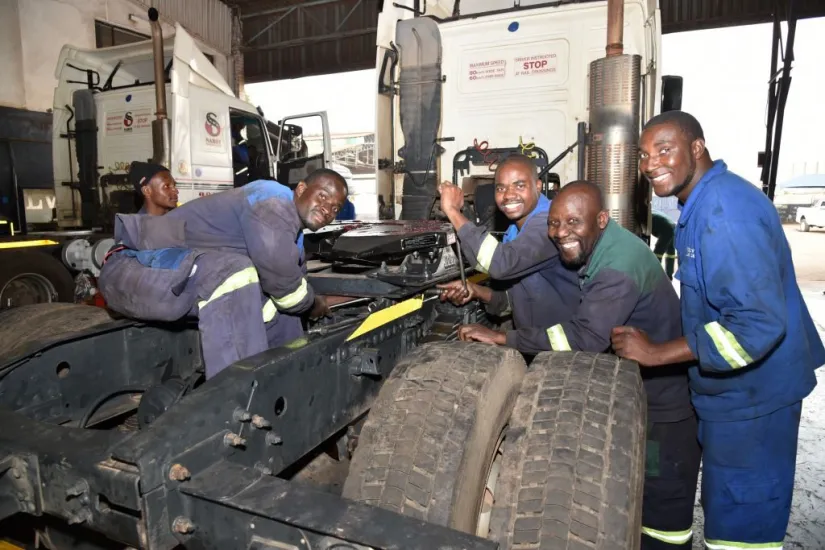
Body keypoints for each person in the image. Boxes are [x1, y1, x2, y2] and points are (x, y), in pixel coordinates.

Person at [613, 110, 825, 550]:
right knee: (724, 513)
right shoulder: (703, 202)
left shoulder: (724, 212)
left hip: (755, 401)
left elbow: (755, 326)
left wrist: (656, 353)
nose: (651, 163)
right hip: (734, 397)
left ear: (697, 148)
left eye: (664, 150)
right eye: (644, 155)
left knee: (741, 531)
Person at [459, 180, 699, 550]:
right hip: (641, 394)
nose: (560, 233)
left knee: (661, 518)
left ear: (601, 219)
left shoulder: (617, 266)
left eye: (573, 223)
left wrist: (505, 339)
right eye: (554, 224)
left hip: (663, 408)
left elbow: (583, 339)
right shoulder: (605, 249)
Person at [99, 169, 350, 379]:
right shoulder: (272, 203)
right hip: (130, 268)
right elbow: (288, 289)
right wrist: (316, 302)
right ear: (301, 188)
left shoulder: (291, 235)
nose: (328, 209)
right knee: (235, 274)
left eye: (335, 208)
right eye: (323, 196)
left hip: (169, 273)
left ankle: (286, 379)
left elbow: (289, 288)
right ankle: (235, 399)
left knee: (271, 305)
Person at [436, 154, 580, 344]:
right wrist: (477, 291)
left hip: (567, 350)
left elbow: (501, 264)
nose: (509, 195)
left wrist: (452, 211)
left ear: (538, 186)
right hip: (539, 343)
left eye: (519, 185)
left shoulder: (550, 224)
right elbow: (520, 300)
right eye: (501, 188)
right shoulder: (515, 230)